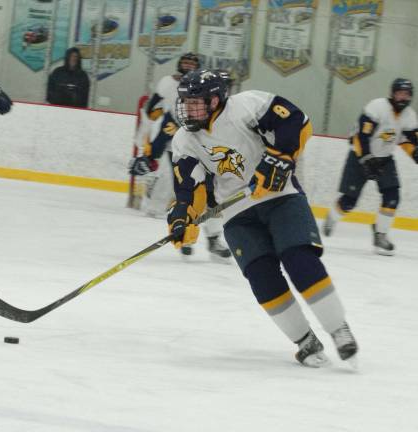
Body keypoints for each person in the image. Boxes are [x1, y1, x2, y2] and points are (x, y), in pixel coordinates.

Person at [167, 69, 358, 367]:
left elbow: (296, 121)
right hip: (236, 214)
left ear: (215, 100)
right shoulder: (184, 140)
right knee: (262, 277)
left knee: (299, 259)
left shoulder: (247, 105)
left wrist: (280, 158)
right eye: (185, 102)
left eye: (195, 103)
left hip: (280, 196)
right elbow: (189, 187)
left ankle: (338, 328)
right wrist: (183, 216)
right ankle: (304, 340)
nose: (187, 109)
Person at [129, 54, 231, 261]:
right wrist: (149, 155)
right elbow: (162, 119)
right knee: (190, 193)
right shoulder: (172, 94)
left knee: (212, 197)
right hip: (182, 150)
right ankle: (188, 235)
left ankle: (213, 239)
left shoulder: (219, 107)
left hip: (207, 151)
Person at [323, 78, 418, 256]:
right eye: (400, 93)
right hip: (360, 156)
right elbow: (360, 136)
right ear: (392, 93)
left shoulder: (409, 115)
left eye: (406, 94)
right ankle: (333, 216)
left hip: (385, 159)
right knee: (349, 201)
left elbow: (408, 139)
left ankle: (380, 234)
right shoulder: (377, 107)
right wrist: (367, 158)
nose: (402, 98)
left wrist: (414, 153)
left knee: (392, 196)